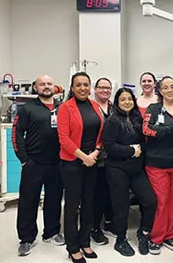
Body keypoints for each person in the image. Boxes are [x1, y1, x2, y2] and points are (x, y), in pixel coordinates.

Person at [13, 75, 64, 256]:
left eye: (50, 83)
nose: (46, 86)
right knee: (28, 201)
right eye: (42, 84)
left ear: (54, 87)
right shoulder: (27, 109)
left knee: (54, 200)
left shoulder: (62, 107)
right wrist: (24, 159)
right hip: (33, 163)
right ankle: (26, 238)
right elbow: (16, 133)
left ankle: (51, 232)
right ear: (36, 87)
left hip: (57, 162)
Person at [103, 88, 157, 256]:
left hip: (136, 169)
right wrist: (130, 150)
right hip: (117, 169)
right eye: (122, 99)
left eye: (129, 99)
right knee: (121, 207)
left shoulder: (137, 118)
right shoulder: (112, 121)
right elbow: (109, 146)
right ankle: (121, 239)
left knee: (150, 201)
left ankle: (144, 232)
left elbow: (145, 141)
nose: (127, 102)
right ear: (117, 103)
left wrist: (140, 149)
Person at [58, 72, 104, 263]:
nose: (83, 88)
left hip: (91, 161)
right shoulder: (65, 108)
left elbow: (101, 133)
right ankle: (73, 246)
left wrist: (95, 152)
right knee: (72, 207)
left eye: (86, 84)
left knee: (88, 204)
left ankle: (85, 241)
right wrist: (83, 156)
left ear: (90, 87)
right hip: (72, 163)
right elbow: (63, 138)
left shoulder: (95, 106)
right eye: (78, 85)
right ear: (72, 87)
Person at [142, 76, 173, 255]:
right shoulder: (153, 109)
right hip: (157, 163)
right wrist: (172, 131)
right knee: (161, 202)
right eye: (165, 87)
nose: (170, 90)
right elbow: (147, 129)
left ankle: (171, 235)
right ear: (160, 90)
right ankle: (156, 238)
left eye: (172, 87)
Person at [91, 77, 114, 245]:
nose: (105, 91)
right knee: (97, 194)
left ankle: (108, 223)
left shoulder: (114, 108)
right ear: (95, 89)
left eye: (108, 88)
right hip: (95, 158)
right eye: (102, 87)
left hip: (113, 158)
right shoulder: (90, 108)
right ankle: (95, 228)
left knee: (110, 192)